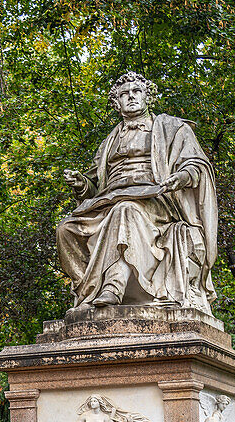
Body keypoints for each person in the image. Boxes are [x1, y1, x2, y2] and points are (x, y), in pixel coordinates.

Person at [59, 72, 218, 314]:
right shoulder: (107, 144)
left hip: (154, 200)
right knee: (65, 230)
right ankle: (88, 292)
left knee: (126, 210)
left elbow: (196, 164)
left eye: (136, 92)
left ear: (148, 97)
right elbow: (93, 188)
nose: (131, 97)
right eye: (124, 94)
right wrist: (81, 183)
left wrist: (180, 177)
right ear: (116, 103)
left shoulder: (172, 128)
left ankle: (113, 286)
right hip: (107, 201)